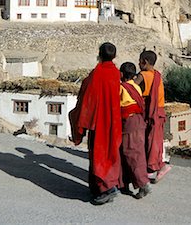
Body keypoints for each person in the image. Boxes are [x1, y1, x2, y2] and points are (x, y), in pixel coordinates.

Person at [69, 42, 122, 204]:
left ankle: (105, 188)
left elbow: (88, 96)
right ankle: (102, 188)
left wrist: (80, 120)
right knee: (110, 152)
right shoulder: (115, 73)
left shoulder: (97, 74)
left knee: (99, 154)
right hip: (113, 121)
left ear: (99, 54)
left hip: (100, 122)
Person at [135, 50, 171, 183]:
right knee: (155, 140)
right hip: (159, 111)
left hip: (150, 112)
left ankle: (153, 168)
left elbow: (131, 88)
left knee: (149, 140)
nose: (138, 64)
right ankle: (157, 165)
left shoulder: (142, 75)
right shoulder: (157, 75)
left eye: (140, 61)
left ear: (144, 62)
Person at [120, 62, 151, 199]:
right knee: (136, 153)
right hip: (139, 122)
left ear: (121, 74)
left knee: (131, 154)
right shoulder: (136, 87)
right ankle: (124, 183)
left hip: (129, 123)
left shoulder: (121, 88)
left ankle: (143, 184)